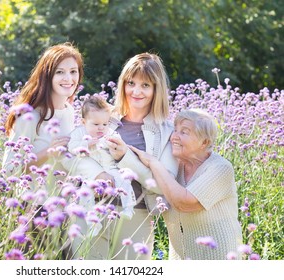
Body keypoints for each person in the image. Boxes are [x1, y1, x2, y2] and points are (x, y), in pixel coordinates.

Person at [65, 53, 178, 260]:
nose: (136, 91)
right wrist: (98, 173)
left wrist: (126, 158)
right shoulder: (105, 118)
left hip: (135, 215)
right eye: (131, 83)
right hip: (91, 208)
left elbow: (165, 185)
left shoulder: (167, 132)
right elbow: (73, 154)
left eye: (145, 85)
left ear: (156, 89)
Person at [130, 109, 243, 260]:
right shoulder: (173, 167)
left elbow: (183, 203)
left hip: (218, 257)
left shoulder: (220, 168)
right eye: (175, 130)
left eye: (184, 132)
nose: (174, 136)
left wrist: (153, 163)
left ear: (205, 142)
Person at [2, 42, 84, 194]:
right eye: (60, 72)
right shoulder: (30, 116)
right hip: (34, 208)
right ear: (47, 76)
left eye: (73, 71)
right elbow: (9, 170)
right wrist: (48, 152)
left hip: (63, 208)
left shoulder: (69, 111)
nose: (68, 78)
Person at [68, 95, 136, 221]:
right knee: (85, 193)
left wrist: (113, 144)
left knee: (125, 181)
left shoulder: (109, 132)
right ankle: (91, 221)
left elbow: (119, 144)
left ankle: (129, 209)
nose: (101, 128)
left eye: (105, 123)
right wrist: (86, 144)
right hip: (92, 173)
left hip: (110, 167)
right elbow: (71, 147)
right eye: (96, 124)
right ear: (83, 122)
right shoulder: (79, 132)